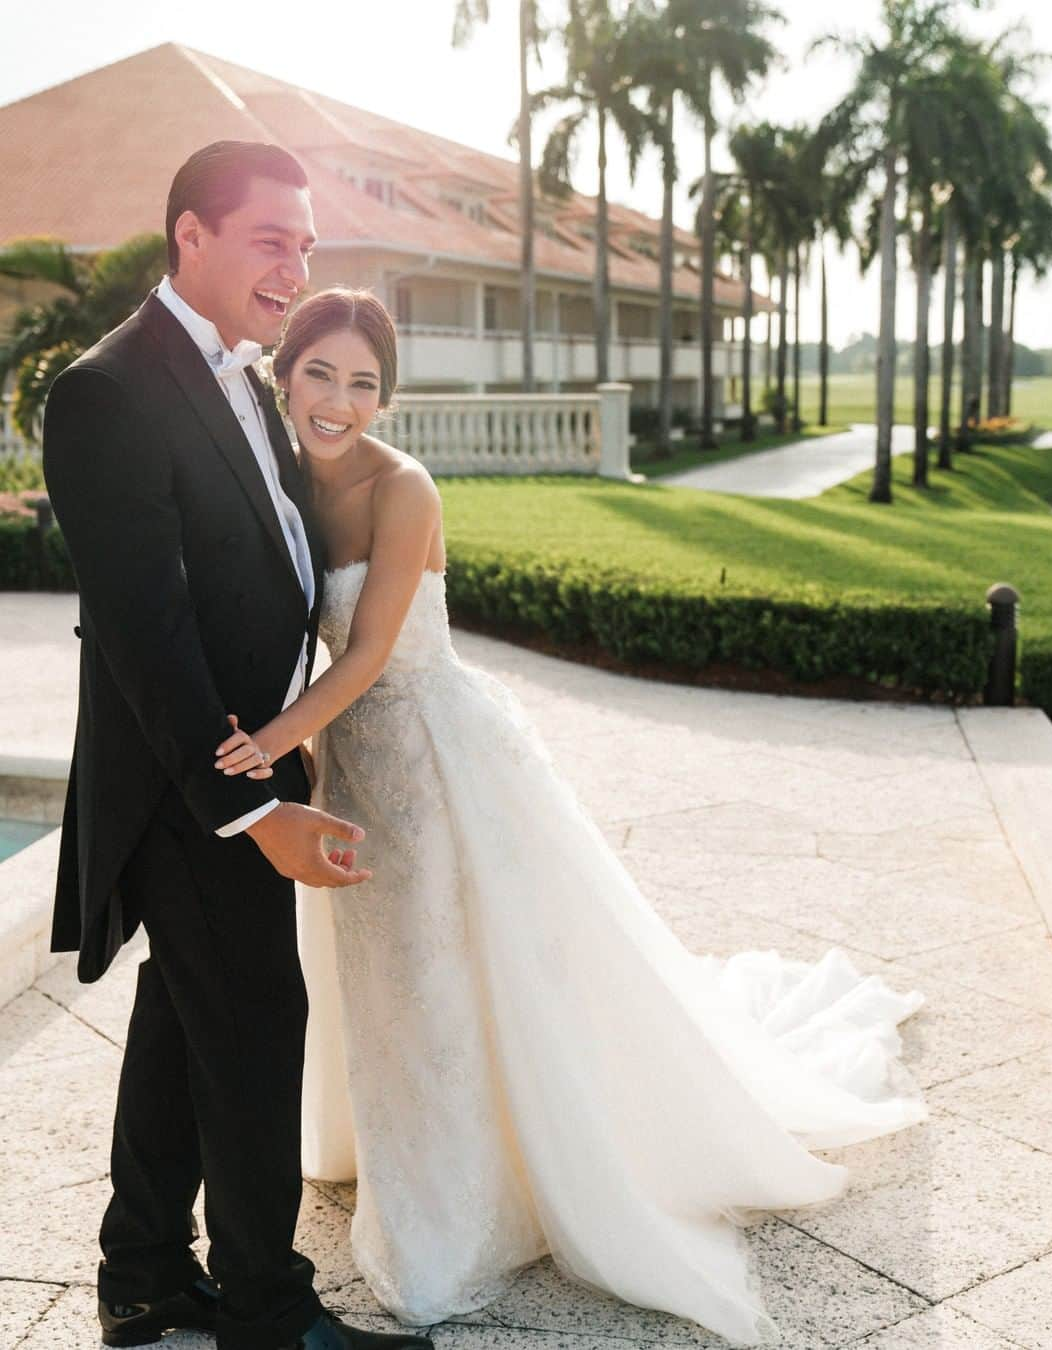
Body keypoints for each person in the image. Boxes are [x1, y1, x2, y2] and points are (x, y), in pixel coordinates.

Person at [211, 286, 930, 1348]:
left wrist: (268, 742)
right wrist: (294, 750)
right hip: (352, 760)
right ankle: (390, 1148)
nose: (338, 400)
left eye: (364, 382)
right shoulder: (282, 481)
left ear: (386, 396)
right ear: (285, 371)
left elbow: (365, 654)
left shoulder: (402, 488)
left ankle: (451, 1220)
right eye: (319, 372)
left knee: (447, 977)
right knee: (381, 971)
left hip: (433, 752)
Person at [43, 142, 432, 1350]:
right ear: (191, 237)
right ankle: (269, 1307)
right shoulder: (108, 389)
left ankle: (146, 1274)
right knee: (258, 1016)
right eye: (272, 239)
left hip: (245, 759)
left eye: (306, 244)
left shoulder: (245, 378)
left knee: (187, 1011)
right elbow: (148, 635)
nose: (296, 264)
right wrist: (259, 807)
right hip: (193, 780)